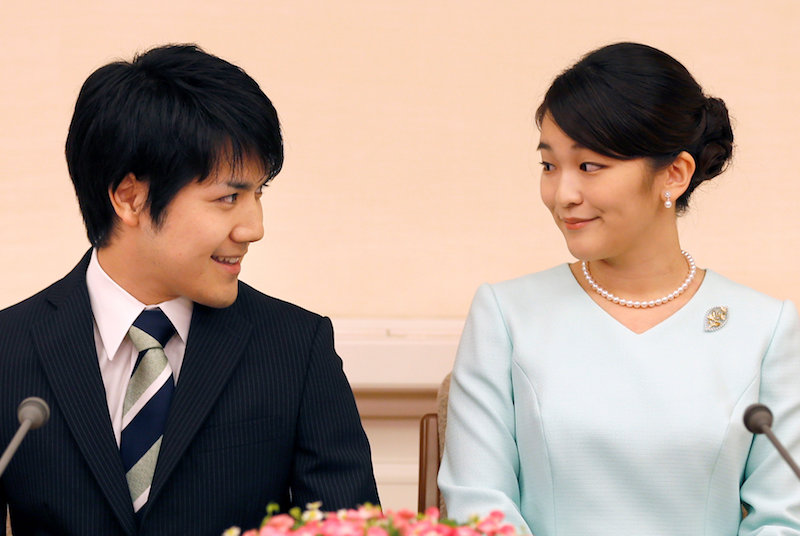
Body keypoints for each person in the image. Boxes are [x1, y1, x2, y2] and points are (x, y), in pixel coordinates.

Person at [0, 44, 378, 535]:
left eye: (257, 194)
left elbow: (350, 527)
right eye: (228, 198)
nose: (253, 227)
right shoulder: (9, 351)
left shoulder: (296, 349)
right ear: (130, 197)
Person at [438, 42, 800, 535]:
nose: (562, 194)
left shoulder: (766, 328)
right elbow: (478, 509)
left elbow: (782, 520)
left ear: (674, 174)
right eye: (549, 166)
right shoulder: (506, 314)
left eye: (590, 166)